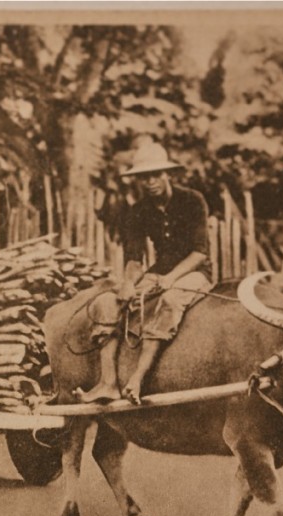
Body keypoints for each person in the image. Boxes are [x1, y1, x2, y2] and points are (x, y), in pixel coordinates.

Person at [76, 141, 213, 404]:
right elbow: (134, 258)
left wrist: (172, 279)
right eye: (143, 177)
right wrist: (128, 283)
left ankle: (137, 378)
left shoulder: (192, 200)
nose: (150, 182)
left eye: (155, 175)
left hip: (194, 272)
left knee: (170, 300)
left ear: (167, 174)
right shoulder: (137, 210)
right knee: (108, 303)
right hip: (158, 272)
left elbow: (200, 253)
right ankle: (108, 383)